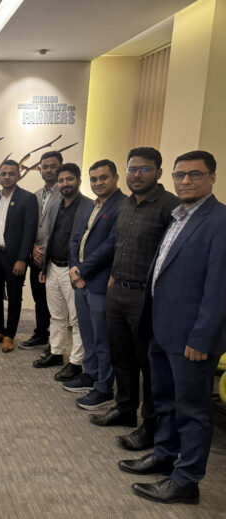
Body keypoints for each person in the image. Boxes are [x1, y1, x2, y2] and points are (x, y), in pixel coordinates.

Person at [120, 150, 226, 505]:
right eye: (180, 175)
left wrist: (202, 337)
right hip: (162, 330)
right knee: (163, 400)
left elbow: (219, 289)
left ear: (212, 177)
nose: (185, 181)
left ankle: (186, 481)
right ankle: (165, 455)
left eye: (195, 174)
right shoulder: (179, 215)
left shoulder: (219, 221)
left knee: (192, 411)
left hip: (191, 339)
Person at [89, 147, 179, 453]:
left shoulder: (170, 207)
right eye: (132, 169)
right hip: (118, 292)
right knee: (121, 356)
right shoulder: (125, 205)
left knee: (148, 364)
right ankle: (125, 408)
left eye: (143, 169)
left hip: (146, 296)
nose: (136, 175)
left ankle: (150, 426)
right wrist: (113, 277)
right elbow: (117, 245)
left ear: (158, 172)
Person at [66, 160, 126, 410]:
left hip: (100, 282)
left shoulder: (122, 206)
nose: (98, 183)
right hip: (82, 281)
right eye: (94, 179)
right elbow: (76, 239)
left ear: (115, 178)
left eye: (103, 178)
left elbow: (110, 246)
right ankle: (90, 375)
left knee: (102, 339)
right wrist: (74, 269)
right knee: (88, 334)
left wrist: (82, 269)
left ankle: (104, 388)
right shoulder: (95, 204)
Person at [33, 164, 91, 382]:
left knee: (76, 319)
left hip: (72, 270)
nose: (65, 184)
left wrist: (80, 270)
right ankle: (56, 352)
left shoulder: (88, 206)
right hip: (53, 267)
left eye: (70, 179)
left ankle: (76, 362)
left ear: (79, 180)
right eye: (62, 180)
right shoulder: (57, 205)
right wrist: (44, 267)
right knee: (56, 315)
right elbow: (51, 236)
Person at [0, 160, 38, 352]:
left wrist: (22, 259)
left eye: (11, 174)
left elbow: (29, 232)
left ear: (18, 175)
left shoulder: (28, 198)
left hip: (15, 258)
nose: (7, 177)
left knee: (14, 296)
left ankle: (9, 335)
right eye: (3, 174)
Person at [20, 151, 62, 351]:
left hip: (55, 257)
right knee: (39, 298)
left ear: (60, 168)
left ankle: (56, 342)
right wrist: (32, 248)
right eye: (44, 167)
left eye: (53, 166)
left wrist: (45, 249)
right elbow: (30, 226)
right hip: (35, 255)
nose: (48, 170)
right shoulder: (35, 195)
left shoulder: (66, 194)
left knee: (56, 302)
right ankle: (41, 333)